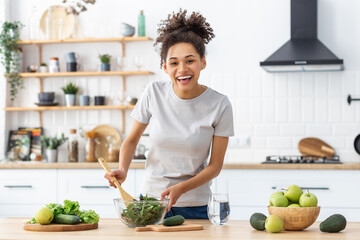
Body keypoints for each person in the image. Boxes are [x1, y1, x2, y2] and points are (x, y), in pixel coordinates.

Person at [105, 9, 234, 219]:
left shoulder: (219, 104)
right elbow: (131, 140)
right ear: (165, 67)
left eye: (190, 60)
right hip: (151, 202)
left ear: (203, 62)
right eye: (174, 63)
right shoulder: (153, 93)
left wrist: (182, 188)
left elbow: (215, 166)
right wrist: (123, 169)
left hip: (195, 206)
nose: (182, 69)